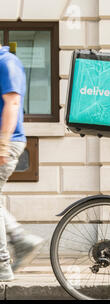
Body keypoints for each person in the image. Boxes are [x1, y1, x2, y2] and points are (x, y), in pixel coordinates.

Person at [0, 44, 45, 282]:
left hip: (7, 140)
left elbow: (13, 103)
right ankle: (21, 239)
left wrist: (2, 144)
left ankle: (2, 264)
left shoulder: (6, 62)